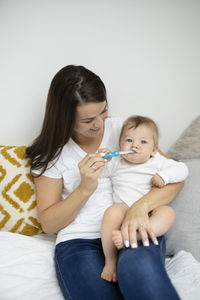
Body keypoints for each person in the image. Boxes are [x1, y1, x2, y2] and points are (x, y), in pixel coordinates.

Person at [26, 65, 183, 300]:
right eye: (88, 120)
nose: (99, 124)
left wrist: (139, 208)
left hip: (133, 229)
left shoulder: (128, 131)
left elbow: (174, 179)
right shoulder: (50, 155)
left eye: (103, 112)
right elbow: (49, 223)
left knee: (145, 281)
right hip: (80, 242)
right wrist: (84, 188)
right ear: (65, 118)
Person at [100, 115, 188, 282]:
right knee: (111, 213)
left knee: (168, 212)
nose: (134, 145)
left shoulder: (157, 161)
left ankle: (137, 236)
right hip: (124, 208)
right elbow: (101, 173)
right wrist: (103, 160)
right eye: (129, 140)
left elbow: (182, 169)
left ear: (154, 149)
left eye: (143, 142)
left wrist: (164, 177)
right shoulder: (117, 161)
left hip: (150, 212)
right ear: (120, 145)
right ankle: (110, 260)